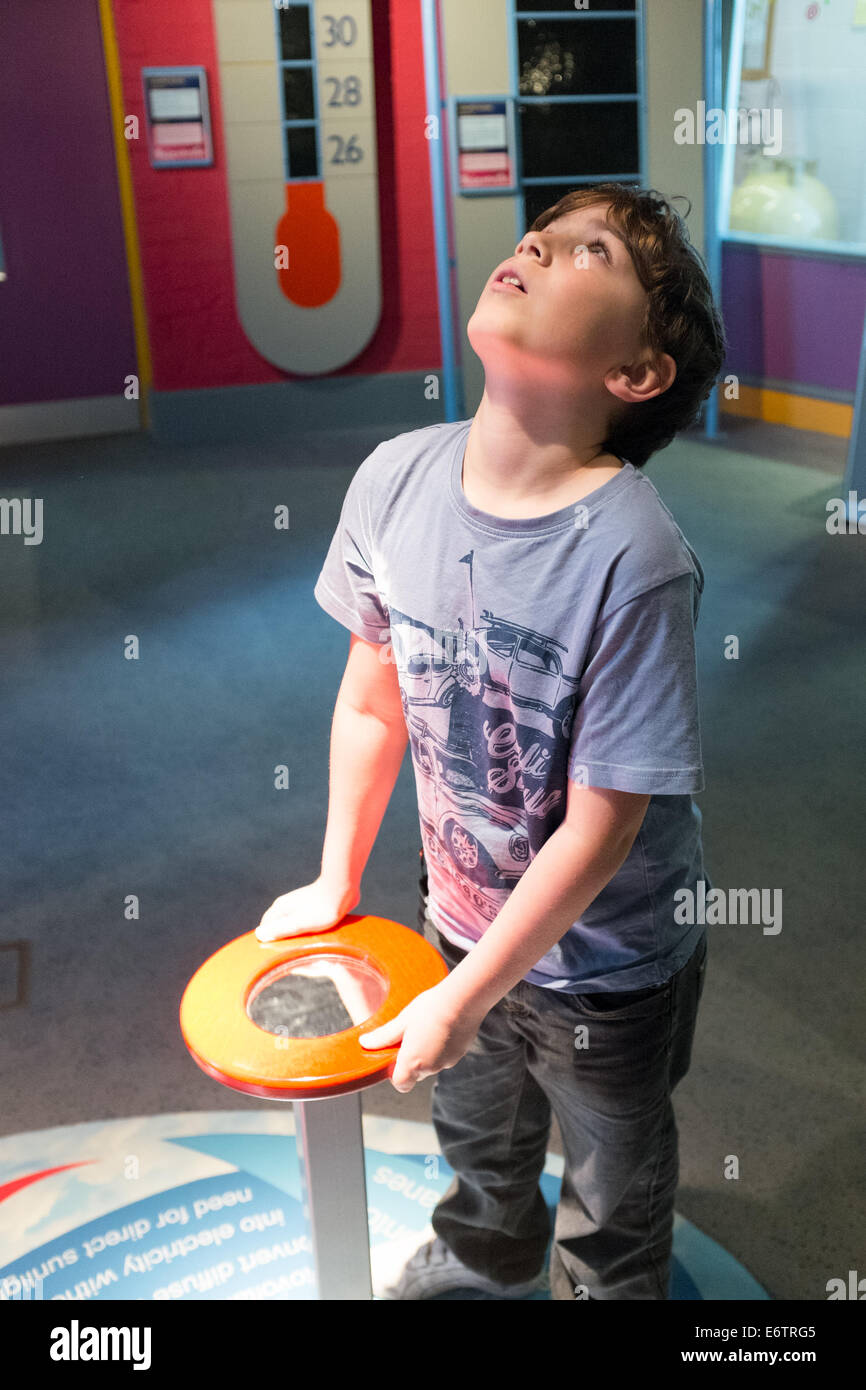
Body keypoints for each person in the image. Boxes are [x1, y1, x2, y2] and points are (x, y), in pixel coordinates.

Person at [256, 182, 726, 1300]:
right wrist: (335, 878)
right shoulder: (394, 479)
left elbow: (603, 826)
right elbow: (372, 702)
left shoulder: (633, 554)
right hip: (456, 919)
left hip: (610, 964)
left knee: (613, 1181)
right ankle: (479, 1257)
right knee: (477, 1138)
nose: (534, 244)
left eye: (587, 253)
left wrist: (461, 1005)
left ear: (636, 375)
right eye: (538, 233)